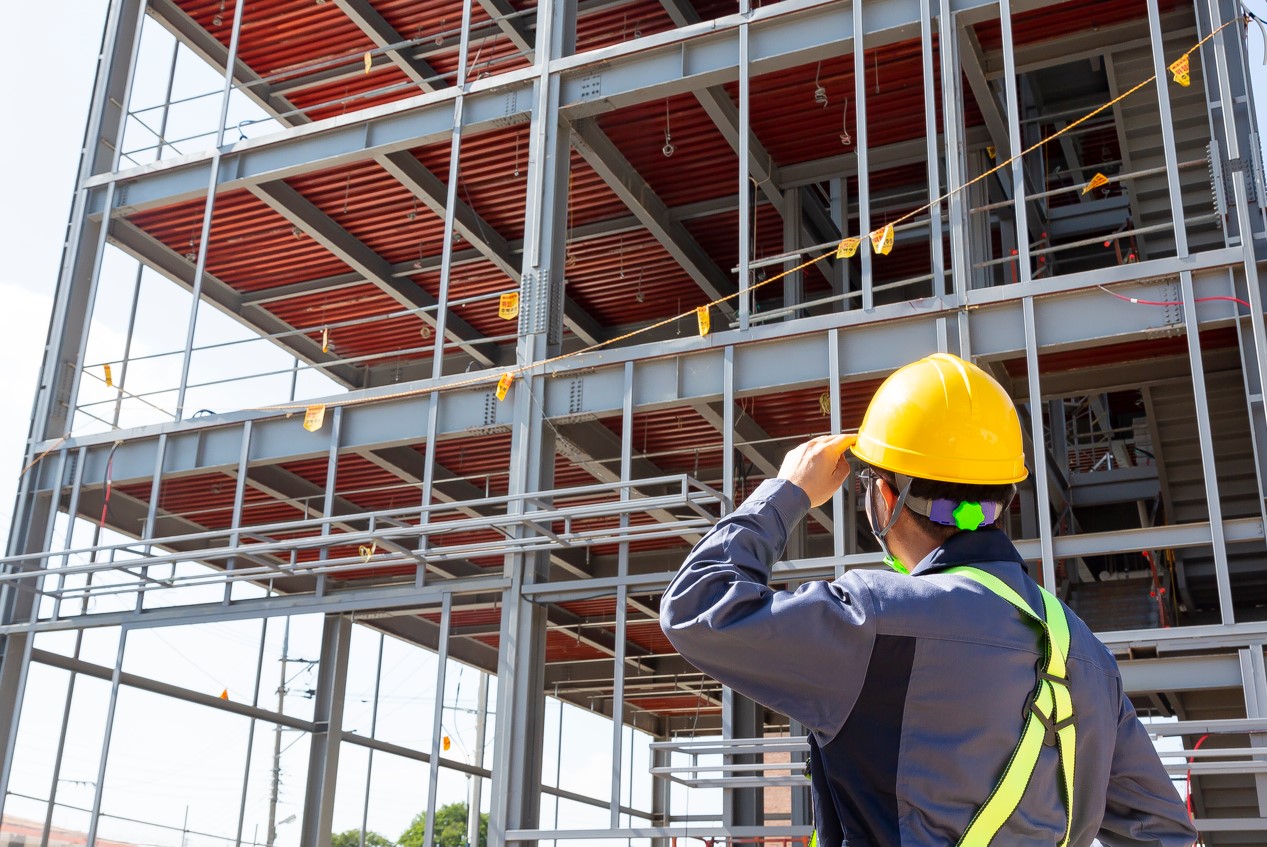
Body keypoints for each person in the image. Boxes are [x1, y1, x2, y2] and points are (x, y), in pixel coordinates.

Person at [660, 353, 1196, 847]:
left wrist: (787, 492)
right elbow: (1165, 833)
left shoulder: (873, 621)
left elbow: (695, 606)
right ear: (1005, 496)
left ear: (885, 497)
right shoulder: (1085, 655)